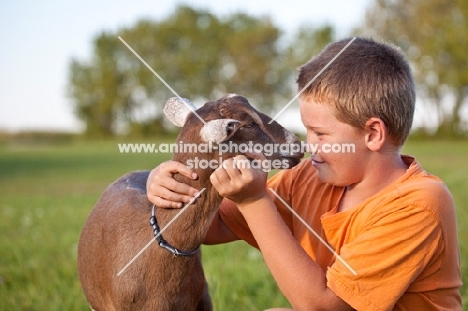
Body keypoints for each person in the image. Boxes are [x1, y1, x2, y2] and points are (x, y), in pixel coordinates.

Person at [146, 37, 462, 310]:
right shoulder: (309, 179)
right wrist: (171, 189)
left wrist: (255, 201)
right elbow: (212, 227)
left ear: (373, 134)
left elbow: (323, 306)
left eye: (320, 134)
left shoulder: (420, 204)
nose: (308, 144)